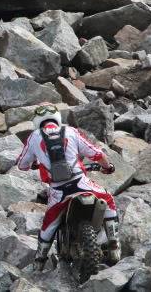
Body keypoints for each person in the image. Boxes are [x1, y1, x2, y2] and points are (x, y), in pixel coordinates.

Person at [16, 103, 120, 270]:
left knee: (48, 224)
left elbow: (21, 165)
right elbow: (96, 153)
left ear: (37, 120)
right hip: (81, 183)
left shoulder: (34, 137)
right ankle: (114, 245)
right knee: (108, 199)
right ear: (57, 117)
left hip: (59, 191)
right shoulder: (71, 131)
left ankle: (39, 263)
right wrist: (108, 167)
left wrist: (35, 163)